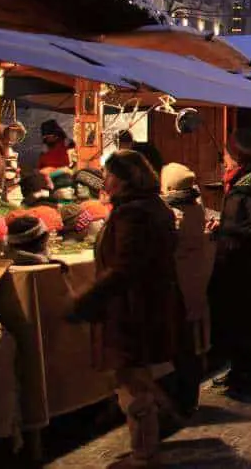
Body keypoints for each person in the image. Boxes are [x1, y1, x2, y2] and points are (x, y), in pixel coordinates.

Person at [68, 150, 182, 467]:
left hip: (132, 310)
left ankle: (145, 452)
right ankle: (160, 422)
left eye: (109, 174)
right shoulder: (151, 206)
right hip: (145, 304)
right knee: (136, 378)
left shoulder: (133, 213)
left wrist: (87, 299)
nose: (105, 180)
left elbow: (124, 267)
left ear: (124, 177)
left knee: (132, 383)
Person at [209, 129, 251, 399]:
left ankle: (248, 378)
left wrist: (228, 231)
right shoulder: (241, 183)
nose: (223, 160)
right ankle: (238, 371)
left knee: (248, 322)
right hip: (237, 261)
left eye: (226, 155)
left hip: (247, 266)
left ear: (237, 158)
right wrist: (223, 225)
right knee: (236, 322)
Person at [161, 163, 214, 417]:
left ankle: (181, 400)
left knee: (181, 346)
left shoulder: (172, 211)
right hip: (195, 281)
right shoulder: (196, 207)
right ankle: (189, 396)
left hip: (177, 285)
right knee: (192, 342)